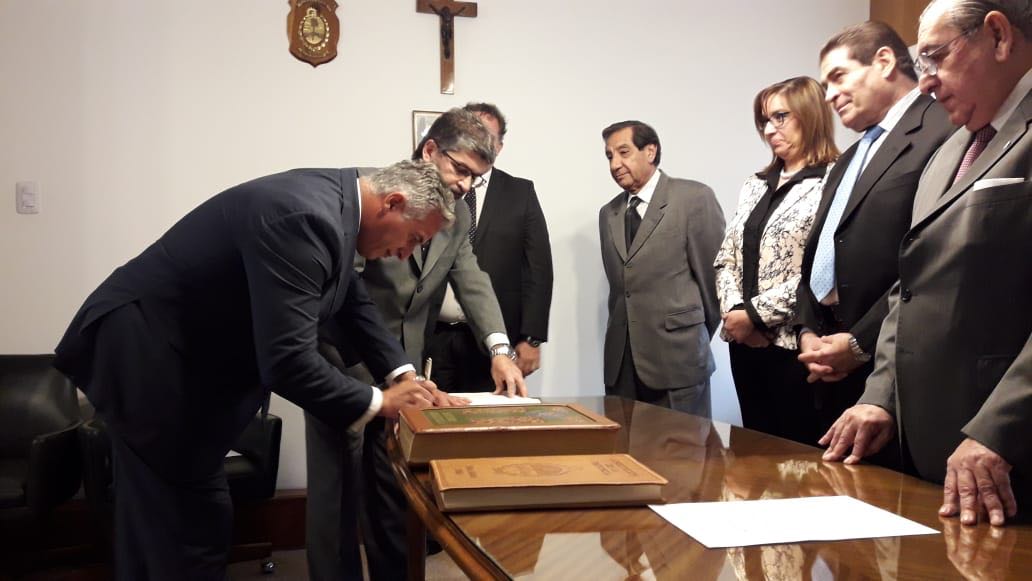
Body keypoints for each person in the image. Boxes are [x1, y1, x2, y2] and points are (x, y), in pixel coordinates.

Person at [52, 160, 452, 580]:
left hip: (180, 360)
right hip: (149, 356)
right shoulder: (307, 218)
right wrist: (381, 402)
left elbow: (351, 302)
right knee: (182, 527)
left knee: (170, 521)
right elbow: (288, 361)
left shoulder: (337, 207)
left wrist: (403, 375)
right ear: (392, 203)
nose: (406, 254)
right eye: (414, 238)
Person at [821, 0, 1032, 526]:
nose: (927, 81)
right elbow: (911, 288)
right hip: (929, 449)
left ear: (998, 37)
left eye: (936, 57)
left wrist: (997, 431)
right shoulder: (950, 151)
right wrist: (880, 397)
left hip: (1006, 457)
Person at [305, 108, 526, 581]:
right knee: (338, 495)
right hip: (344, 364)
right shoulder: (374, 194)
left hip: (405, 369)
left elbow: (471, 278)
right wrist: (386, 371)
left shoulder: (458, 213)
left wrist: (500, 349)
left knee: (395, 489)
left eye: (475, 177)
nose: (465, 184)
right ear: (429, 150)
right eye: (460, 169)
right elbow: (347, 295)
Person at [793, 21, 955, 455]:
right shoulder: (849, 158)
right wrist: (808, 330)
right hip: (826, 364)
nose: (829, 95)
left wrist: (860, 344)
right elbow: (821, 250)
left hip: (894, 367)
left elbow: (931, 259)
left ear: (884, 61)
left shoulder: (944, 129)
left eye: (838, 77)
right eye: (825, 86)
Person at [713, 77, 839, 444]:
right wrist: (737, 316)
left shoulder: (834, 181)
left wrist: (754, 316)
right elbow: (726, 258)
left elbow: (825, 271)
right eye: (765, 120)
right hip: (744, 344)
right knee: (751, 453)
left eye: (780, 117)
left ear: (810, 114)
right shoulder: (755, 184)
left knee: (797, 460)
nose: (769, 130)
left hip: (796, 344)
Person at [426, 102, 554, 391]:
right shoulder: (435, 188)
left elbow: (538, 270)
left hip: (492, 339)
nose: (478, 141)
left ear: (500, 146)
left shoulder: (520, 192)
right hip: (433, 332)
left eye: (486, 136)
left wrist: (531, 339)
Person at [599, 120, 724, 416]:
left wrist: (690, 335)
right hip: (622, 366)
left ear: (650, 151)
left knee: (682, 446)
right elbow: (622, 291)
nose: (615, 164)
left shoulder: (693, 198)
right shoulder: (608, 213)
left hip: (678, 362)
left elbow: (716, 284)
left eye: (623, 152)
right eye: (609, 156)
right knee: (623, 445)